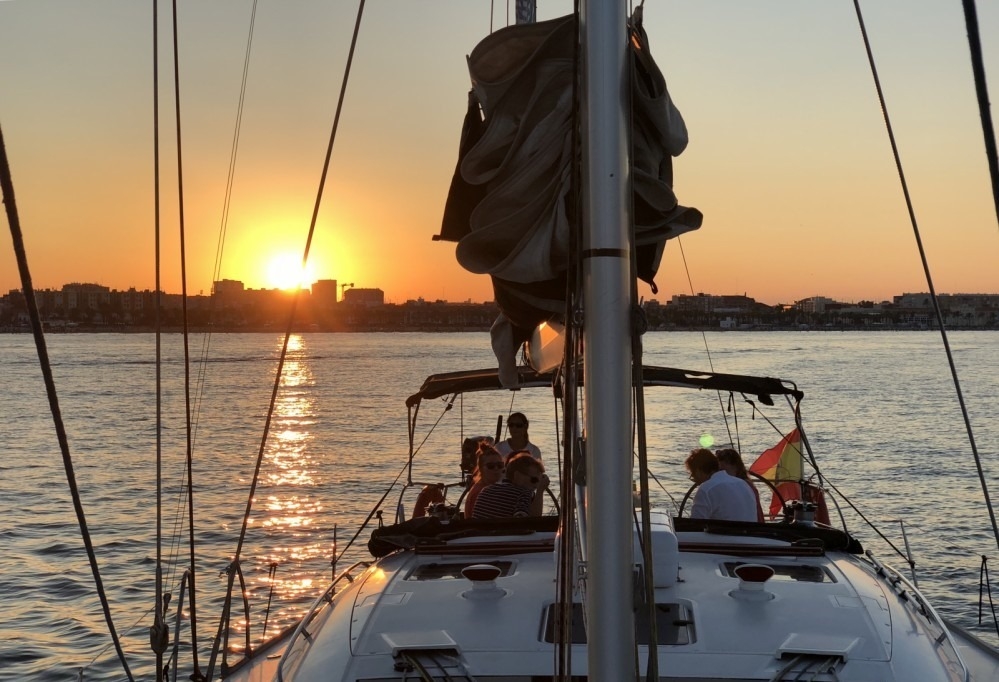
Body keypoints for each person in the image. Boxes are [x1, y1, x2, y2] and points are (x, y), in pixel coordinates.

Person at [685, 448, 758, 522]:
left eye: (693, 475)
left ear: (698, 471)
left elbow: (696, 524)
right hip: (750, 533)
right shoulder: (744, 484)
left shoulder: (706, 489)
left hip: (725, 533)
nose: (695, 481)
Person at [471, 453, 549, 519]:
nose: (536, 485)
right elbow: (532, 521)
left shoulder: (486, 490)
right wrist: (540, 491)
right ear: (518, 476)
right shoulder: (524, 493)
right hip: (504, 535)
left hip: (480, 535)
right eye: (534, 480)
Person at [716, 448, 765, 523]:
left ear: (733, 465)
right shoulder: (748, 485)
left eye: (722, 469)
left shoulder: (745, 486)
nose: (721, 473)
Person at [463, 443, 506, 518]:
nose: (496, 469)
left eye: (500, 465)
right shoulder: (480, 492)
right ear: (481, 469)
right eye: (491, 466)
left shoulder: (490, 488)